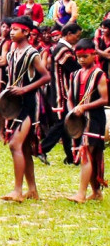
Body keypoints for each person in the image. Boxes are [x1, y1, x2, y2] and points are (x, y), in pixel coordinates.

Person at [1, 16, 50, 203]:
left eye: (16, 29)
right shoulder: (12, 53)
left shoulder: (32, 53)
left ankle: (18, 190)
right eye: (11, 29)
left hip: (29, 104)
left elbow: (46, 77)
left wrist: (24, 89)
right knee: (25, 148)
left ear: (27, 32)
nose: (11, 32)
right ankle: (32, 190)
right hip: (15, 104)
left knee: (15, 144)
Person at [66, 39, 108, 203]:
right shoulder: (74, 75)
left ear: (94, 55)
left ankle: (81, 194)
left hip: (95, 119)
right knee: (88, 154)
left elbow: (104, 99)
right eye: (79, 57)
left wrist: (84, 107)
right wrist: (72, 110)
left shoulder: (99, 74)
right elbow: (69, 98)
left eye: (85, 56)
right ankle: (96, 192)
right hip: (79, 120)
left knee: (86, 153)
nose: (82, 60)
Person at [40, 23, 82, 165]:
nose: (78, 38)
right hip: (62, 93)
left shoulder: (63, 48)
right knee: (62, 123)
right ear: (69, 34)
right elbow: (74, 69)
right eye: (77, 35)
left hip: (64, 92)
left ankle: (71, 157)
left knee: (65, 124)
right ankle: (42, 149)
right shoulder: (62, 49)